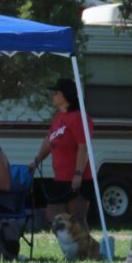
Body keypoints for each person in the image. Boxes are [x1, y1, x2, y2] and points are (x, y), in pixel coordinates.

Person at [33, 77, 92, 228]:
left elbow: (84, 147)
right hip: (60, 178)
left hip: (77, 179)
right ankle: (71, 250)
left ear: (66, 94)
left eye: (56, 92)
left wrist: (78, 174)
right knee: (53, 217)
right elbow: (49, 141)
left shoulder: (79, 117)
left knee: (77, 221)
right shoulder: (59, 116)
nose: (52, 95)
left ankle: (86, 251)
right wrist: (36, 162)